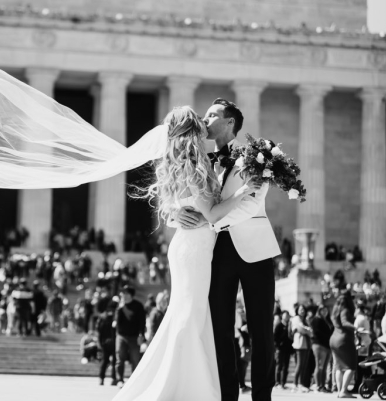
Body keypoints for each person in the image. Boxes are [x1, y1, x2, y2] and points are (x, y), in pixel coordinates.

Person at [113, 106, 262, 400]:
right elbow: (212, 212)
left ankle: (182, 383)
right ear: (194, 131)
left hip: (189, 244)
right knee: (190, 315)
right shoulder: (194, 163)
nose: (206, 125)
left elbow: (179, 205)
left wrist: (176, 211)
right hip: (194, 247)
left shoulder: (181, 162)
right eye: (202, 122)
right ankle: (186, 388)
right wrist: (244, 192)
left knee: (187, 314)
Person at [168, 100, 279, 401]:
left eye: (212, 115)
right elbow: (181, 198)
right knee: (219, 327)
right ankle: (227, 394)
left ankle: (262, 396)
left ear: (230, 123)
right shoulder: (199, 160)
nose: (204, 118)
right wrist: (175, 215)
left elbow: (252, 203)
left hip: (255, 250)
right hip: (214, 252)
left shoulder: (258, 156)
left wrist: (211, 219)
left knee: (261, 329)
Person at [114, 285, 146, 389]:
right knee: (119, 358)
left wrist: (141, 334)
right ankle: (120, 380)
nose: (124, 295)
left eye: (127, 293)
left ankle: (134, 380)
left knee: (135, 359)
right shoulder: (120, 306)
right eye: (123, 293)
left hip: (134, 336)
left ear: (131, 295)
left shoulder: (138, 305)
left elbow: (142, 321)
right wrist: (120, 308)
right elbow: (117, 322)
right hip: (121, 336)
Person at [329, 289, 358, 399]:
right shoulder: (345, 309)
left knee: (339, 367)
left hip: (334, 339)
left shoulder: (335, 309)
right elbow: (345, 322)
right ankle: (343, 391)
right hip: (343, 339)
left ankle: (339, 391)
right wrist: (356, 328)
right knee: (351, 366)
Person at [310, 305, 333, 393]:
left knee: (324, 367)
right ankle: (318, 385)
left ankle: (323, 386)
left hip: (327, 346)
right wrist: (328, 337)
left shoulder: (326, 320)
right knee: (319, 366)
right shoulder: (316, 320)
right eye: (322, 310)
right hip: (319, 345)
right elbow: (317, 332)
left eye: (326, 310)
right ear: (319, 311)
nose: (324, 312)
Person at [290, 304, 313, 392]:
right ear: (297, 310)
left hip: (306, 344)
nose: (302, 311)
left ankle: (301, 384)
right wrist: (308, 330)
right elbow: (301, 329)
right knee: (299, 365)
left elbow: (310, 330)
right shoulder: (296, 318)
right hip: (299, 344)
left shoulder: (305, 319)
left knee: (304, 365)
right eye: (300, 309)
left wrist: (308, 330)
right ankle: (295, 384)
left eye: (303, 309)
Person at [97, 300, 118, 386]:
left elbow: (99, 330)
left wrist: (100, 341)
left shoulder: (103, 317)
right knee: (113, 362)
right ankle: (113, 379)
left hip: (105, 342)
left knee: (105, 361)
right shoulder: (116, 316)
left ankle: (101, 378)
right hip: (113, 341)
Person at [274, 311, 292, 389]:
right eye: (285, 315)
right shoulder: (279, 325)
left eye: (288, 316)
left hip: (287, 349)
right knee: (279, 365)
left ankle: (283, 383)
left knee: (286, 366)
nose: (286, 317)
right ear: (282, 316)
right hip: (280, 349)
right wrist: (278, 346)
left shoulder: (289, 326)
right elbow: (275, 337)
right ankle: (277, 382)